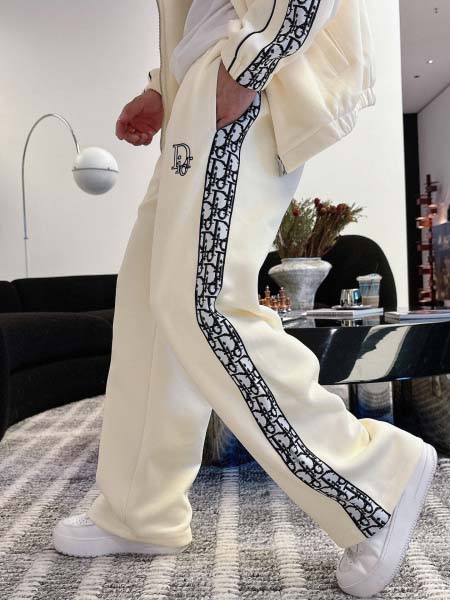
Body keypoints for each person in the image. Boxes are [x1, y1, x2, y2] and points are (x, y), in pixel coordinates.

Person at [52, 1, 438, 596]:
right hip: (201, 80)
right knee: (150, 303)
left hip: (235, 67)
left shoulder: (240, 65)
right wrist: (163, 86)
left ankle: (373, 482)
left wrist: (249, 62)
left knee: (205, 302)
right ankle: (140, 509)